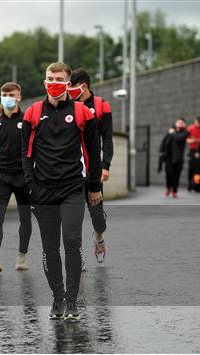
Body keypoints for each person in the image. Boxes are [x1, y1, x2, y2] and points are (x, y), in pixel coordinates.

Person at [21, 62, 101, 320]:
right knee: (50, 248)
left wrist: (94, 187)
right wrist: (31, 186)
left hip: (72, 189)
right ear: (44, 81)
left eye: (58, 78)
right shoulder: (32, 113)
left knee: (72, 241)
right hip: (43, 191)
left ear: (68, 83)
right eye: (49, 78)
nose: (53, 82)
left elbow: (92, 154)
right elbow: (25, 154)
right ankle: (57, 299)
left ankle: (72, 300)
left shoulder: (82, 112)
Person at [0, 82, 32, 273]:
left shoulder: (28, 120)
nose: (7, 97)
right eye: (4, 94)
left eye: (11, 94)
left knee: (25, 218)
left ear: (19, 96)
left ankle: (22, 257)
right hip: (1, 178)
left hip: (24, 178)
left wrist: (32, 174)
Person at [69, 68, 113, 264]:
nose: (66, 90)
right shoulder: (68, 107)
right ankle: (76, 255)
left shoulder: (101, 106)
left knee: (97, 215)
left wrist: (106, 165)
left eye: (70, 86)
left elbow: (108, 138)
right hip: (72, 171)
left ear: (82, 86)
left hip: (93, 169)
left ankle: (99, 237)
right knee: (73, 216)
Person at [160, 119, 189, 198]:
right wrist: (161, 151)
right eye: (179, 122)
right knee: (169, 174)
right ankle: (169, 188)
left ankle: (175, 191)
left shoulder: (185, 132)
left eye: (182, 123)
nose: (180, 124)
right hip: (168, 158)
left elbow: (178, 138)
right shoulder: (170, 131)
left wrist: (172, 132)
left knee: (176, 175)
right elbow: (164, 141)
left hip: (178, 159)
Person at [186, 116, 200, 192]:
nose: (196, 124)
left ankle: (198, 186)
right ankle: (190, 185)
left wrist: (197, 140)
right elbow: (187, 140)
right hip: (193, 151)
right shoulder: (191, 128)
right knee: (192, 169)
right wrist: (194, 140)